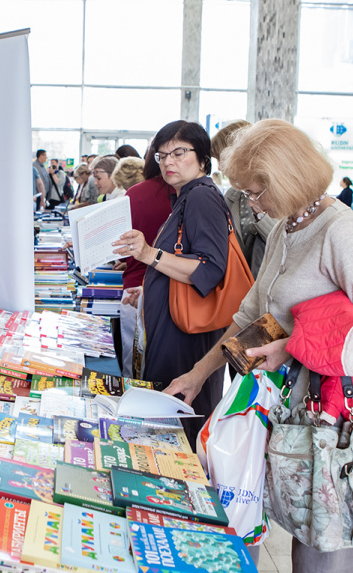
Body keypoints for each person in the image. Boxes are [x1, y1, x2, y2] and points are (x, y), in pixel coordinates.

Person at [166, 119, 353, 573]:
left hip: (337, 422)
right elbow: (250, 320)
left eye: (256, 193)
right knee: (293, 531)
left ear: (288, 179)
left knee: (321, 553)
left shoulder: (339, 230)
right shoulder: (284, 228)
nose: (251, 204)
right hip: (292, 410)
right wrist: (198, 375)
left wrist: (292, 347)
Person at [111, 121, 232, 446]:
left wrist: (150, 255)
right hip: (176, 332)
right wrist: (151, 286)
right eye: (162, 155)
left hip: (187, 340)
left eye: (179, 153)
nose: (168, 162)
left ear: (203, 158)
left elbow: (209, 268)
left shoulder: (201, 198)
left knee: (179, 429)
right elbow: (183, 261)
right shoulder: (186, 196)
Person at [118, 150, 174, 378]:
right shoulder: (184, 196)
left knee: (133, 367)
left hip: (134, 287)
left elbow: (119, 245)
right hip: (173, 292)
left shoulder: (134, 194)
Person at [212, 120, 277, 277]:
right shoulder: (233, 195)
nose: (220, 167)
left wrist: (261, 216)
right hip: (239, 285)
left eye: (221, 158)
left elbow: (287, 243)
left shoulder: (277, 189)